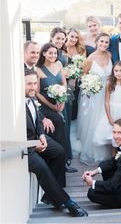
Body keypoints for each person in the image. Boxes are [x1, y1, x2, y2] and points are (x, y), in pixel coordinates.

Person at [24, 70, 88, 217]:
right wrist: (34, 144)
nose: (33, 87)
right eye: (29, 84)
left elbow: (37, 120)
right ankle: (68, 202)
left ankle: (51, 196)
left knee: (59, 151)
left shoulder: (32, 99)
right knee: (43, 168)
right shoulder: (17, 104)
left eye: (35, 83)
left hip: (37, 138)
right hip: (26, 149)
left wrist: (41, 135)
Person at [35, 43, 75, 172]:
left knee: (63, 129)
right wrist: (51, 105)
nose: (53, 55)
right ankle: (53, 162)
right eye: (50, 53)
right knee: (56, 126)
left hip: (60, 102)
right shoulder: (38, 69)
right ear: (44, 53)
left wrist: (62, 99)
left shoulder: (58, 64)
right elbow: (37, 93)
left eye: (55, 53)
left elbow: (63, 83)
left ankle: (64, 163)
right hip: (46, 105)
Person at [77, 32, 112, 166]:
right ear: (96, 42)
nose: (104, 44)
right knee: (94, 121)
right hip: (94, 94)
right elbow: (83, 76)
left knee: (105, 120)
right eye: (101, 41)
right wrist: (89, 86)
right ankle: (93, 152)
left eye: (106, 42)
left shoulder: (109, 55)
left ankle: (106, 148)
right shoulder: (90, 58)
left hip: (108, 92)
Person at [50, 27, 76, 172]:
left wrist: (66, 91)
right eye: (57, 38)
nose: (60, 41)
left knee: (65, 127)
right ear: (52, 37)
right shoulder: (47, 52)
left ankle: (65, 159)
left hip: (64, 95)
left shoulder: (65, 56)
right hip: (49, 95)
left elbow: (69, 77)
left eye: (62, 39)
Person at [65, 27, 86, 120]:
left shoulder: (80, 49)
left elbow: (83, 66)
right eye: (72, 36)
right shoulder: (62, 48)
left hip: (76, 80)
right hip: (63, 79)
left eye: (76, 37)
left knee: (74, 103)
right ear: (67, 35)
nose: (74, 39)